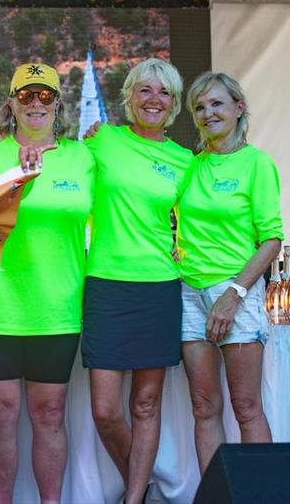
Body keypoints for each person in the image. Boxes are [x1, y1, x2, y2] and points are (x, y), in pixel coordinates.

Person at [0, 63, 95, 504]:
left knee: (50, 414)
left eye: (45, 95)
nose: (35, 103)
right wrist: (17, 178)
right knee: (0, 415)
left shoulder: (82, 157)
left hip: (56, 308)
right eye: (26, 95)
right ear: (11, 103)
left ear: (58, 104)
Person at [82, 58, 192, 504]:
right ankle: (143, 485)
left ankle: (132, 501)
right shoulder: (101, 140)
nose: (154, 100)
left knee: (145, 406)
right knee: (106, 411)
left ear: (175, 103)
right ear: (128, 97)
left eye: (163, 92)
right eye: (144, 90)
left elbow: (198, 225)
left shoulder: (185, 160)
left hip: (159, 288)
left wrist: (182, 251)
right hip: (106, 285)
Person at [177, 72, 283, 473]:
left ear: (239, 108)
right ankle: (214, 497)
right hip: (189, 291)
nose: (208, 113)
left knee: (246, 406)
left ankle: (260, 494)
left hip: (236, 291)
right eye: (200, 107)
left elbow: (271, 240)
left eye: (217, 103)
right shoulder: (190, 164)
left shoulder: (257, 163)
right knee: (204, 408)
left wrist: (234, 293)